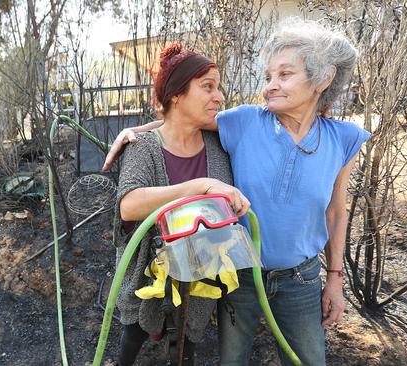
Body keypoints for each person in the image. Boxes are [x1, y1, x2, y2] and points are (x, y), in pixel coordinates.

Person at [104, 19, 370, 366]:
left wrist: (335, 280)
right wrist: (135, 130)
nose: (270, 87)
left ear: (323, 78)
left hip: (301, 280)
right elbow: (184, 117)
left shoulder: (343, 139)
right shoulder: (246, 121)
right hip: (239, 275)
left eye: (284, 75)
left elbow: (336, 212)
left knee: (307, 360)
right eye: (268, 77)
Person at [113, 43, 250, 366]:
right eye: (208, 87)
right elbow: (129, 206)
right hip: (147, 272)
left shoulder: (218, 145)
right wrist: (200, 187)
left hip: (199, 272)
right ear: (176, 95)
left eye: (218, 88)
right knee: (133, 336)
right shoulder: (144, 147)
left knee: (187, 344)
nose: (218, 97)